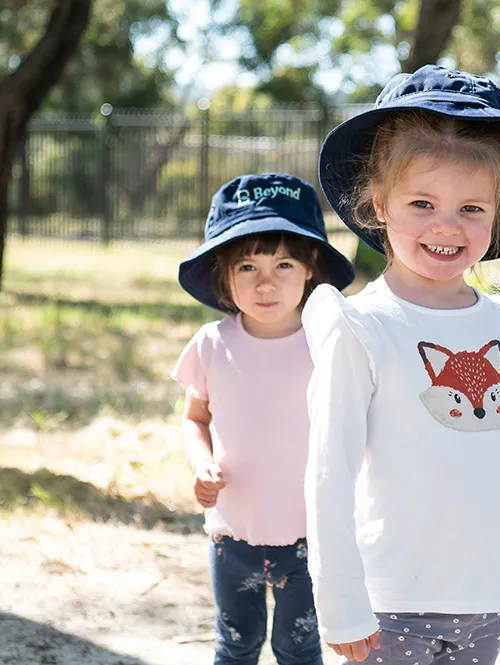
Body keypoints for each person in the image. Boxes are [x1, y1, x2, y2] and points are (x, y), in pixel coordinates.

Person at [301, 65, 500, 665]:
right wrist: (340, 602)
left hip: (486, 596)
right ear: (378, 204)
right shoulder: (360, 327)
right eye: (422, 202)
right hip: (389, 600)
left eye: (472, 207)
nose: (447, 225)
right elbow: (327, 475)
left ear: (497, 214)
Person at [172, 173, 355, 665]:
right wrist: (201, 464)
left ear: (311, 267)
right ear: (223, 274)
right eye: (247, 265)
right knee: (236, 645)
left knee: (299, 649)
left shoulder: (330, 344)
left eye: (284, 263)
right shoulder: (212, 344)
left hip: (310, 538)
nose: (266, 281)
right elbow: (194, 419)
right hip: (234, 535)